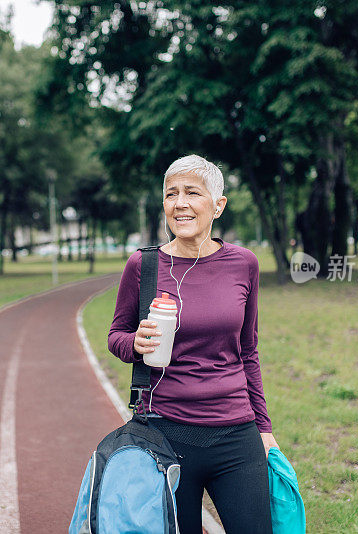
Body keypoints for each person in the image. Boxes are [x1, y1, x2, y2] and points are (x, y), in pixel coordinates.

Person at [108, 154, 278, 533]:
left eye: (192, 193)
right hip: (166, 432)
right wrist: (135, 342)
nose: (180, 203)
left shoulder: (244, 263)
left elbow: (248, 352)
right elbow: (116, 336)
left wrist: (263, 430)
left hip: (236, 434)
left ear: (218, 205)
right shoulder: (143, 266)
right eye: (171, 194)